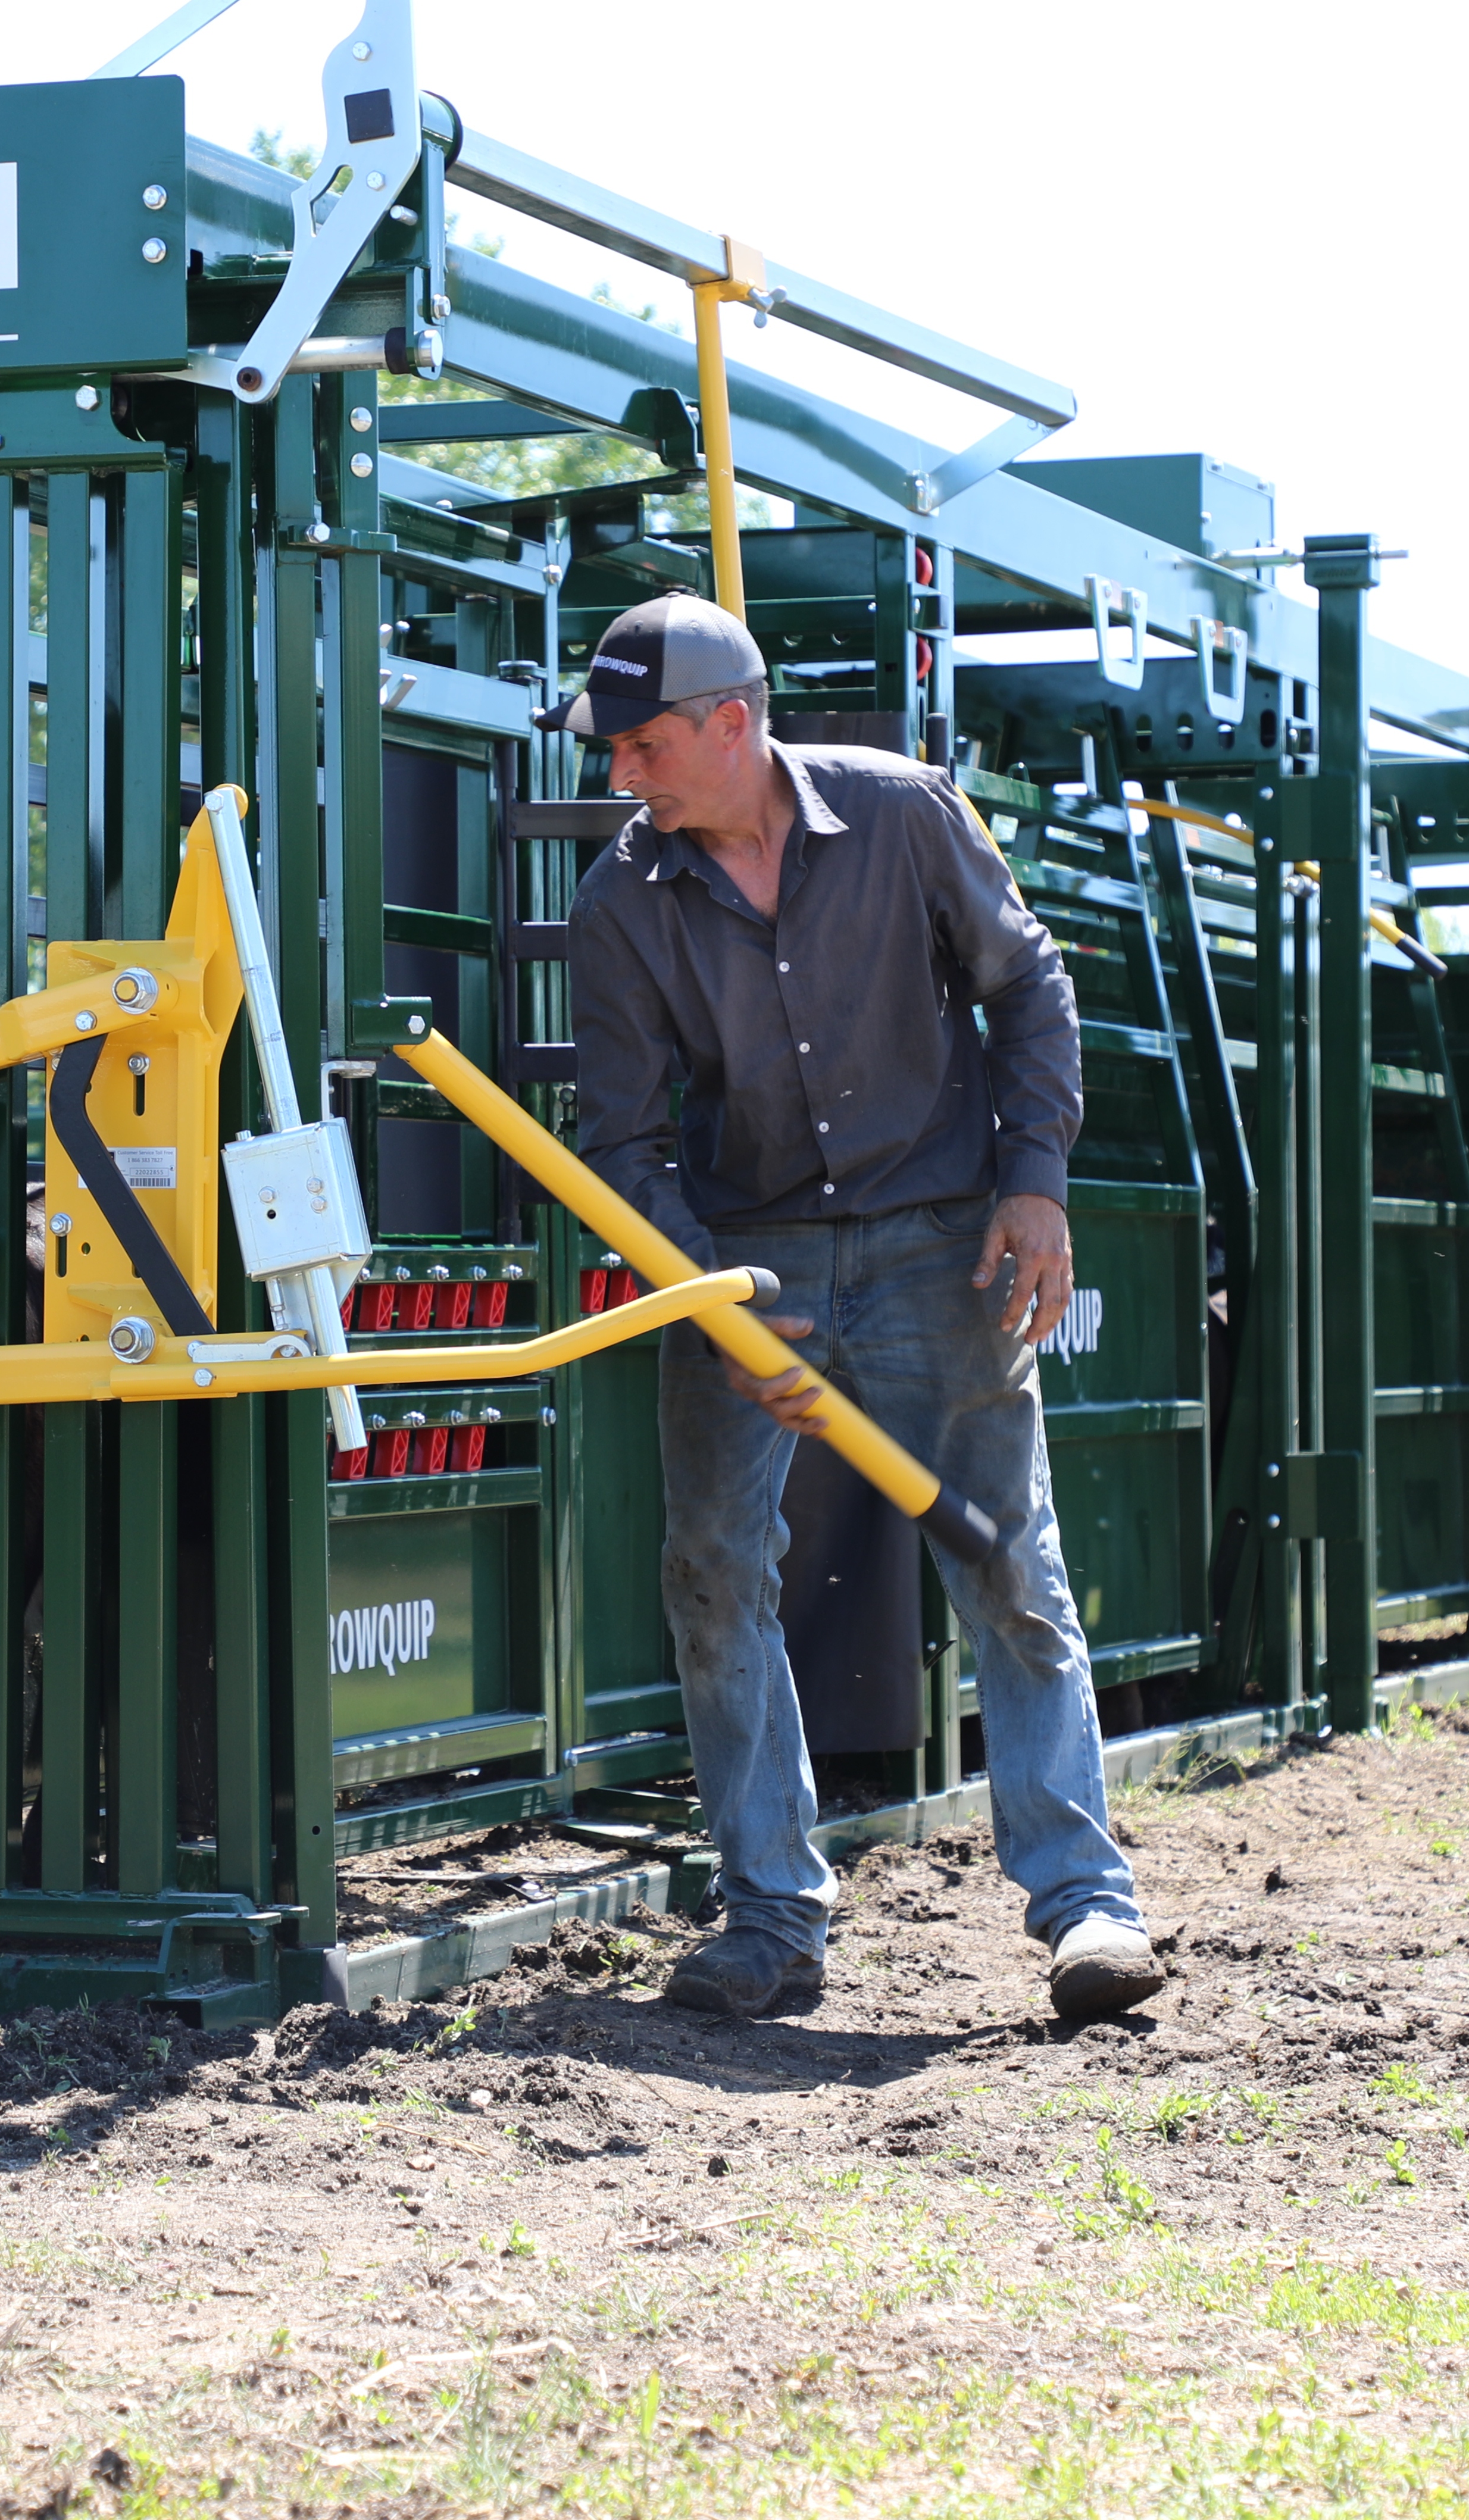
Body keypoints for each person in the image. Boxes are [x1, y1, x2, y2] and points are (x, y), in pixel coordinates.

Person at [557, 592, 1162, 2024]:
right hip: (745, 1254)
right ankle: (771, 1917)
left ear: (732, 722)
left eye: (643, 745)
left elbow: (1027, 988)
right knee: (713, 1567)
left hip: (941, 1239)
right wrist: (714, 1302)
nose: (621, 776)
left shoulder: (905, 817)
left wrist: (1036, 1179)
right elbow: (624, 1145)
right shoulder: (619, 904)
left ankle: (1089, 1908)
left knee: (1005, 1555)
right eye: (612, 751)